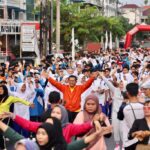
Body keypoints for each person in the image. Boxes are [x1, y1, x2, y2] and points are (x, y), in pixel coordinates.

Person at [2, 105, 100, 143]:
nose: (54, 114)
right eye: (53, 112)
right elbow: (28, 124)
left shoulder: (68, 127)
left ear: (64, 115)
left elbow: (82, 127)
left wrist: (93, 122)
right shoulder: (44, 126)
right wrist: (13, 116)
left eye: (58, 113)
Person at [0, 117, 112, 150]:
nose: (39, 136)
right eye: (38, 133)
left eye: (43, 134)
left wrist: (97, 133)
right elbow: (14, 135)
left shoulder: (59, 148)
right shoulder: (31, 146)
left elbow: (80, 143)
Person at [0, 84, 34, 150]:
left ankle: (4, 148)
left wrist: (29, 104)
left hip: (5, 117)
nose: (0, 90)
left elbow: (20, 100)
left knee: (2, 133)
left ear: (5, 90)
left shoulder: (9, 98)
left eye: (2, 89)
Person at [122, 83, 144, 150]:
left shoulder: (125, 108)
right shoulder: (144, 107)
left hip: (129, 140)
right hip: (142, 139)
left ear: (127, 93)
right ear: (138, 93)